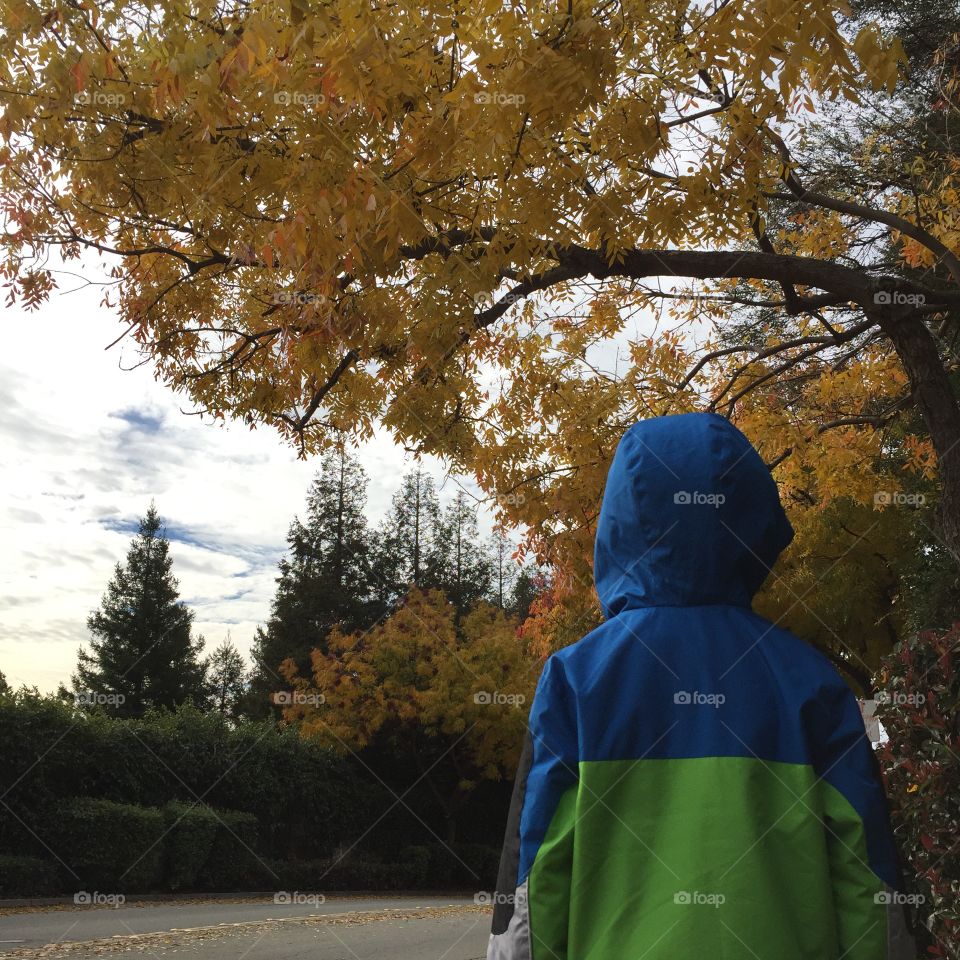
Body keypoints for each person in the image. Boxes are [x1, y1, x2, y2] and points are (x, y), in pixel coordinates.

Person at [487, 413, 915, 960]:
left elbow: (533, 884)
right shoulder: (811, 682)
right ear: (753, 518)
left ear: (620, 520)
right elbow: (868, 885)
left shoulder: (575, 679)